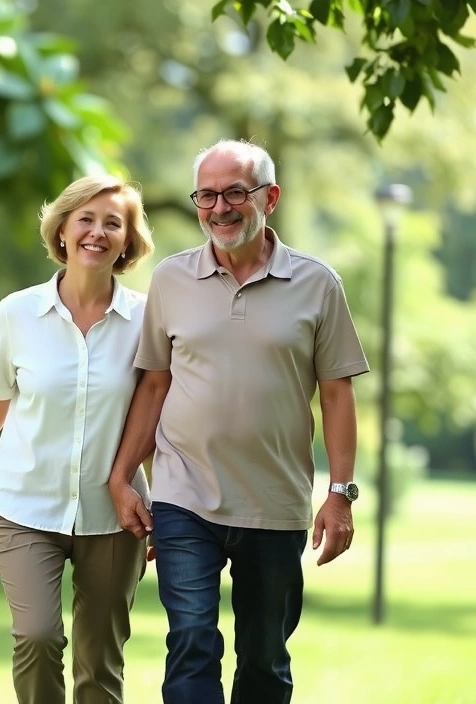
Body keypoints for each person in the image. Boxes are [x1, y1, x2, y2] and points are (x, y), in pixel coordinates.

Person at [107, 139, 370, 704]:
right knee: (192, 641)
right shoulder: (172, 280)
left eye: (234, 193)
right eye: (206, 195)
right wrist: (123, 475)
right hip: (184, 498)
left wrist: (341, 493)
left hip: (274, 503)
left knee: (265, 657)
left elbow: (337, 393)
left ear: (269, 197)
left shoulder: (318, 284)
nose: (219, 208)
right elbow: (154, 384)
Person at [0, 174, 156, 704]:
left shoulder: (147, 319)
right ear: (63, 229)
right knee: (37, 636)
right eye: (86, 219)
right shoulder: (17, 313)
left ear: (128, 241)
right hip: (23, 505)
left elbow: (157, 418)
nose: (97, 233)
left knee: (100, 659)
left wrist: (164, 505)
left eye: (113, 223)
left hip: (114, 515)